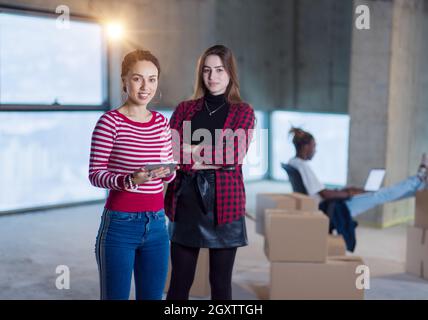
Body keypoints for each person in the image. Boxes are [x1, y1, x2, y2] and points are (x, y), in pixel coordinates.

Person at [164, 45, 255, 300]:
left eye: (219, 70)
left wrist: (190, 151)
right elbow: (170, 152)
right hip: (185, 200)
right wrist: (209, 154)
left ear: (230, 73)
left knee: (220, 285)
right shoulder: (184, 109)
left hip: (226, 205)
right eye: (206, 70)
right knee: (179, 283)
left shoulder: (243, 111)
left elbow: (233, 155)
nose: (212, 77)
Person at [88, 49, 176, 300]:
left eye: (152, 78)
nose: (145, 86)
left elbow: (167, 173)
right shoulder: (110, 122)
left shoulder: (161, 122)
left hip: (158, 223)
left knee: (152, 297)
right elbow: (95, 174)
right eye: (137, 78)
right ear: (124, 81)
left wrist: (167, 172)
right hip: (120, 224)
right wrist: (127, 180)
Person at [287, 127, 427, 217]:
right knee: (380, 194)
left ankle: (419, 186)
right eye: (314, 146)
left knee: (381, 194)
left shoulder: (293, 163)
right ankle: (419, 180)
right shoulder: (303, 166)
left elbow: (319, 191)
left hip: (328, 205)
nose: (315, 150)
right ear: (305, 147)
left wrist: (349, 190)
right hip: (332, 208)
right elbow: (325, 194)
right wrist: (349, 193)